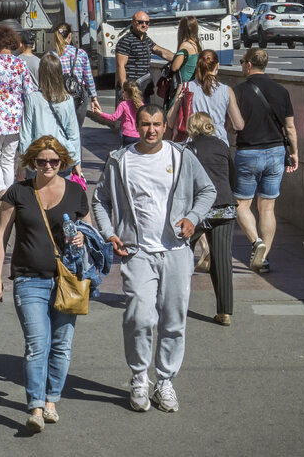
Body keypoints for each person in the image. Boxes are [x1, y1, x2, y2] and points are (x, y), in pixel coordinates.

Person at [91, 104, 216, 413]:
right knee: (140, 317)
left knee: (174, 321)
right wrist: (109, 233)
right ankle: (138, 378)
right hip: (138, 252)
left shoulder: (181, 156)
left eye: (157, 124)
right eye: (145, 124)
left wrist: (192, 218)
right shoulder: (120, 161)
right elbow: (100, 200)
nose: (151, 130)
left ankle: (165, 382)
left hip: (175, 252)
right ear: (138, 125)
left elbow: (207, 191)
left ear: (165, 126)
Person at [0, 135, 89, 433]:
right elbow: (1, 235)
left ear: (62, 162)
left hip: (67, 280)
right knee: (37, 345)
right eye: (41, 161)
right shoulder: (17, 193)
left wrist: (82, 237)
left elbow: (87, 232)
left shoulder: (75, 192)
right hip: (28, 278)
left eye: (54, 161)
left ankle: (51, 401)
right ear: (32, 162)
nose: (47, 166)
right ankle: (34, 407)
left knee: (61, 346)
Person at [234, 48, 297, 275]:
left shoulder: (238, 92)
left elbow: (235, 124)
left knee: (241, 204)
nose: (241, 65)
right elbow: (289, 127)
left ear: (249, 64)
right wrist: (295, 152)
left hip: (248, 152)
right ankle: (264, 258)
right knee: (267, 207)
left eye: (242, 62)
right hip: (276, 152)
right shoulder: (282, 91)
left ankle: (255, 243)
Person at [185, 112, 237, 326]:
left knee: (181, 255)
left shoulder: (188, 149)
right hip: (224, 206)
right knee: (222, 259)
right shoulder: (222, 146)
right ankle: (225, 312)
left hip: (198, 209)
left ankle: (174, 302)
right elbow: (232, 176)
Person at [0, 24, 36, 211]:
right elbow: (29, 91)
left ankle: (2, 190)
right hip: (15, 116)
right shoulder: (20, 63)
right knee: (9, 157)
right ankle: (10, 195)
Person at [19, 53, 80, 175]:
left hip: (39, 158)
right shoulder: (67, 99)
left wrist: (25, 162)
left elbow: (26, 134)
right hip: (62, 157)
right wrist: (77, 161)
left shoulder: (33, 99)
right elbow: (73, 134)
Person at [172, 50, 244, 145]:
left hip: (193, 144)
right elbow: (238, 125)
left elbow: (170, 120)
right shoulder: (226, 91)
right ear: (217, 66)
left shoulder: (186, 87)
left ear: (198, 65)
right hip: (219, 143)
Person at [114, 11, 174, 101]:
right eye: (140, 22)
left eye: (147, 23)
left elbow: (161, 52)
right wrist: (125, 90)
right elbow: (120, 66)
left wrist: (180, 58)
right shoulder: (126, 41)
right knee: (132, 115)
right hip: (131, 89)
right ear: (133, 22)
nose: (144, 25)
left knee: (144, 114)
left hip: (144, 88)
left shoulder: (146, 39)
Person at [53, 23, 96, 123]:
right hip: (79, 95)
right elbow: (88, 77)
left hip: (58, 95)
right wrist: (93, 97)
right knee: (76, 129)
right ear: (70, 36)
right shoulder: (81, 53)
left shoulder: (51, 56)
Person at [90, 81, 144, 147]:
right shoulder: (141, 104)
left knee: (125, 153)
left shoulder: (123, 104)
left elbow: (113, 118)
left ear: (125, 92)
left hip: (127, 134)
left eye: (123, 91)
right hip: (139, 135)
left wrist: (100, 113)